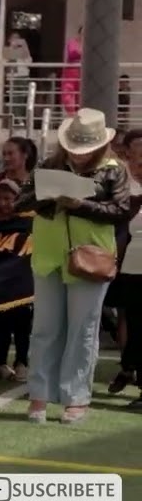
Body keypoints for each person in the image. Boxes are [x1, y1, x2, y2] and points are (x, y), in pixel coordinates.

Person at [18, 108, 133, 424]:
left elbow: (121, 210)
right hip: (48, 257)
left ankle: (76, 398)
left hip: (91, 258)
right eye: (74, 148)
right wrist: (48, 197)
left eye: (85, 149)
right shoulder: (47, 166)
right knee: (45, 328)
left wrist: (79, 205)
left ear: (99, 145)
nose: (78, 155)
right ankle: (39, 396)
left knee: (82, 330)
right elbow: (19, 202)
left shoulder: (114, 170)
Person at [0, 179, 33, 381]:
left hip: (20, 285)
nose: (4, 203)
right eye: (1, 198)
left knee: (21, 325)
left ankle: (21, 362)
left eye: (9, 198)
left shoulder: (29, 223)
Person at [106, 129, 142, 402]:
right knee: (130, 317)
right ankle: (128, 366)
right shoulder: (120, 180)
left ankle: (131, 367)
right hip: (126, 259)